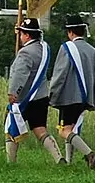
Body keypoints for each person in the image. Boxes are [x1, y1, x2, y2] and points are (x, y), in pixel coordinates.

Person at [4, 18, 60, 164]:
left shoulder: (25, 53)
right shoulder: (43, 49)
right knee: (40, 129)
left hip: (25, 98)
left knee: (12, 127)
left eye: (22, 33)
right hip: (41, 96)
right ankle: (58, 158)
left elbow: (20, 75)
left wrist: (13, 93)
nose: (20, 37)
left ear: (27, 35)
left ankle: (11, 162)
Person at [49, 14, 95, 165]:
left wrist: (52, 94)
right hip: (85, 97)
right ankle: (69, 160)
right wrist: (94, 99)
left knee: (64, 130)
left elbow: (60, 75)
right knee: (71, 129)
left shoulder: (66, 48)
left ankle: (90, 154)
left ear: (70, 32)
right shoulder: (93, 51)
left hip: (68, 97)